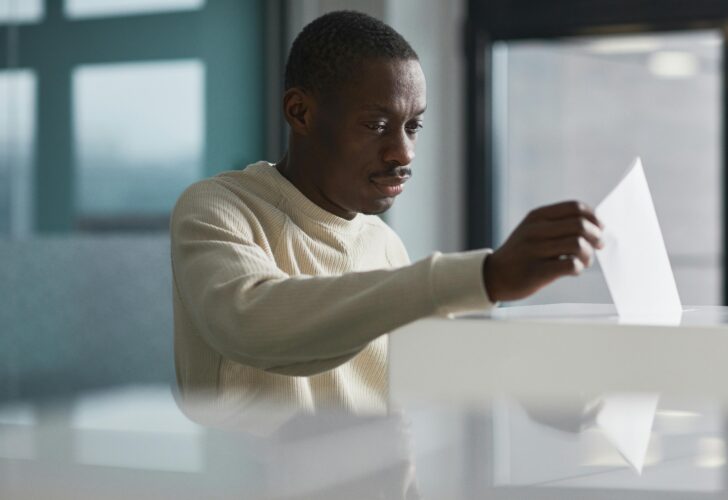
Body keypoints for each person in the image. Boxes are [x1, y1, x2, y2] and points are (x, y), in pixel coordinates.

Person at [170, 10, 603, 424]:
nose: (404, 153)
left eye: (412, 126)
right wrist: (486, 274)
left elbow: (433, 377)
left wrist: (536, 390)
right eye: (376, 125)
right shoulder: (220, 207)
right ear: (300, 112)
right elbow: (253, 322)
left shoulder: (383, 244)